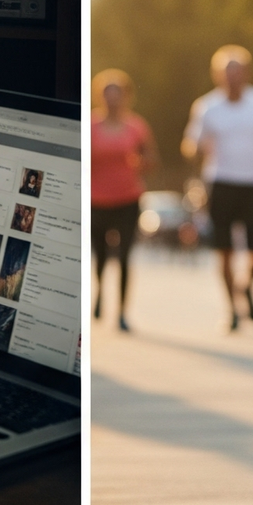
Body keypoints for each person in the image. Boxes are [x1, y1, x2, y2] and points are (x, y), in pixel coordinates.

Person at [182, 46, 253, 331]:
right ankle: (231, 309)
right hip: (221, 182)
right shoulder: (206, 106)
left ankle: (246, 286)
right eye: (227, 73)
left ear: (246, 74)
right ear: (218, 75)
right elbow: (190, 144)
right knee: (224, 251)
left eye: (237, 73)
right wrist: (197, 148)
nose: (232, 79)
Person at [91, 68, 159, 333]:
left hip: (129, 198)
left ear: (126, 97)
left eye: (118, 95)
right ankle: (99, 291)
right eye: (108, 95)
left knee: (125, 256)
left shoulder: (137, 127)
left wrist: (141, 162)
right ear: (100, 97)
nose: (113, 100)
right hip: (97, 199)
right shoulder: (91, 125)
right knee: (101, 255)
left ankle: (121, 312)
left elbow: (152, 160)